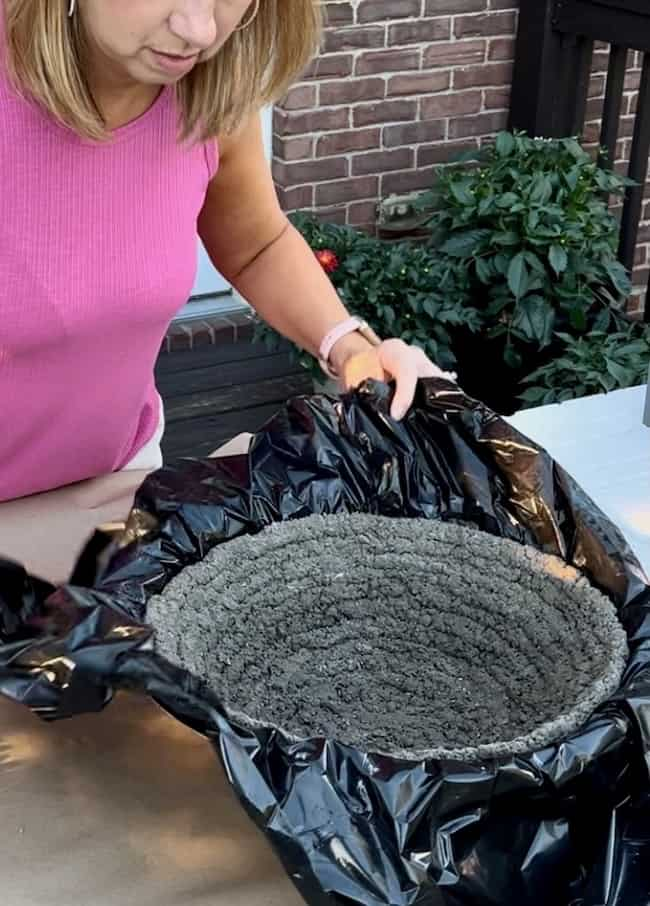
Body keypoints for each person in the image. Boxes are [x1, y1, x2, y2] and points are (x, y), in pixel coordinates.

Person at [0, 0, 452, 504]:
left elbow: (256, 243)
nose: (199, 29)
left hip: (116, 480)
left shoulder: (202, 92)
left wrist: (352, 349)